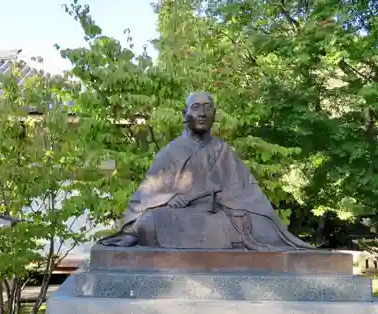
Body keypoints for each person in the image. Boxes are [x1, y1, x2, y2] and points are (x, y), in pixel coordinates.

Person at [99, 92, 314, 250]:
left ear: (214, 115)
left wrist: (220, 197)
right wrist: (170, 197)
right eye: (196, 107)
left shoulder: (223, 150)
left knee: (259, 225)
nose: (202, 113)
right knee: (148, 222)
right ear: (185, 114)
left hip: (218, 214)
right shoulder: (171, 152)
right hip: (180, 216)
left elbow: (247, 193)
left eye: (207, 107)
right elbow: (144, 196)